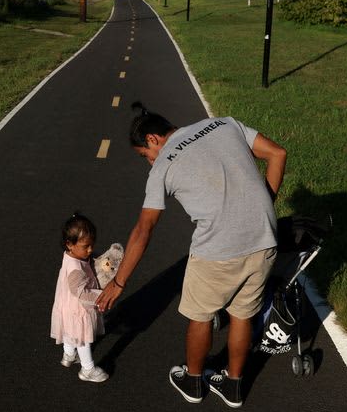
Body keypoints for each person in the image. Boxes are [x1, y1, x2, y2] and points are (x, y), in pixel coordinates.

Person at [96, 102, 287, 408]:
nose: (148, 162)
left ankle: (194, 381)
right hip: (264, 238)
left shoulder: (162, 166)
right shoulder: (224, 123)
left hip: (217, 251)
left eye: (144, 156)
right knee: (242, 315)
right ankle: (234, 386)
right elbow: (278, 154)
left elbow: (144, 230)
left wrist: (119, 282)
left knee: (200, 317)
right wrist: (262, 207)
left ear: (152, 140)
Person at [50, 213, 110, 383]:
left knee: (71, 332)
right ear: (69, 244)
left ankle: (68, 355)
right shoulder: (75, 268)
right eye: (86, 246)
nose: (90, 250)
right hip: (78, 308)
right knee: (82, 337)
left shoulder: (71, 256)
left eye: (92, 245)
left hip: (67, 304)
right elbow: (82, 294)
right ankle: (87, 369)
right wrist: (101, 297)